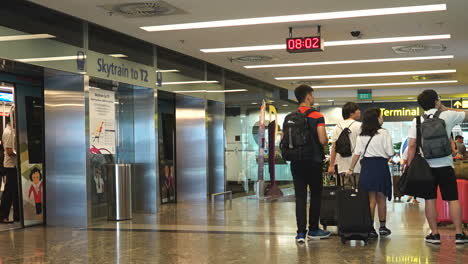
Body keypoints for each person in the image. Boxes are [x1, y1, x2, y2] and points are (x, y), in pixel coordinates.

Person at [406, 89, 468, 244]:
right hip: (446, 165)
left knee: (430, 199)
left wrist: (409, 165)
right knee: (452, 199)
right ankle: (459, 234)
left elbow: (412, 145)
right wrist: (446, 109)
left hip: (426, 167)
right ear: (436, 101)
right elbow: (466, 113)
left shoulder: (417, 120)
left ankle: (434, 234)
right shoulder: (447, 115)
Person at [289, 85, 330, 242]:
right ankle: (313, 229)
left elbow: (285, 138)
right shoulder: (317, 116)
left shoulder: (290, 116)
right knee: (315, 195)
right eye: (312, 95)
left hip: (296, 162)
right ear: (307, 96)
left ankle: (300, 233)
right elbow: (322, 140)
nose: (313, 97)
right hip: (313, 161)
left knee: (299, 196)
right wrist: (325, 142)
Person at [346, 108, 394, 239]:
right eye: (381, 116)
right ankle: (383, 227)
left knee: (370, 200)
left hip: (367, 167)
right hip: (380, 166)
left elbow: (357, 153)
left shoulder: (362, 135)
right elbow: (389, 152)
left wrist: (350, 169)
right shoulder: (384, 133)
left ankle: (370, 228)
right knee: (381, 198)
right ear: (376, 119)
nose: (382, 119)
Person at [328, 102, 362, 189]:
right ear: (351, 113)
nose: (359, 112)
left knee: (345, 195)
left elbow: (334, 147)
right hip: (358, 166)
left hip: (342, 166)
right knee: (360, 195)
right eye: (357, 110)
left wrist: (331, 165)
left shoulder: (338, 127)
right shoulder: (360, 126)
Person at [0, 116, 19, 223]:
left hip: (13, 165)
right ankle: (3, 215)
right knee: (9, 192)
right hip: (11, 166)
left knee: (14, 192)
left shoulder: (11, 131)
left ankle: (16, 216)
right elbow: (9, 151)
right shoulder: (9, 132)